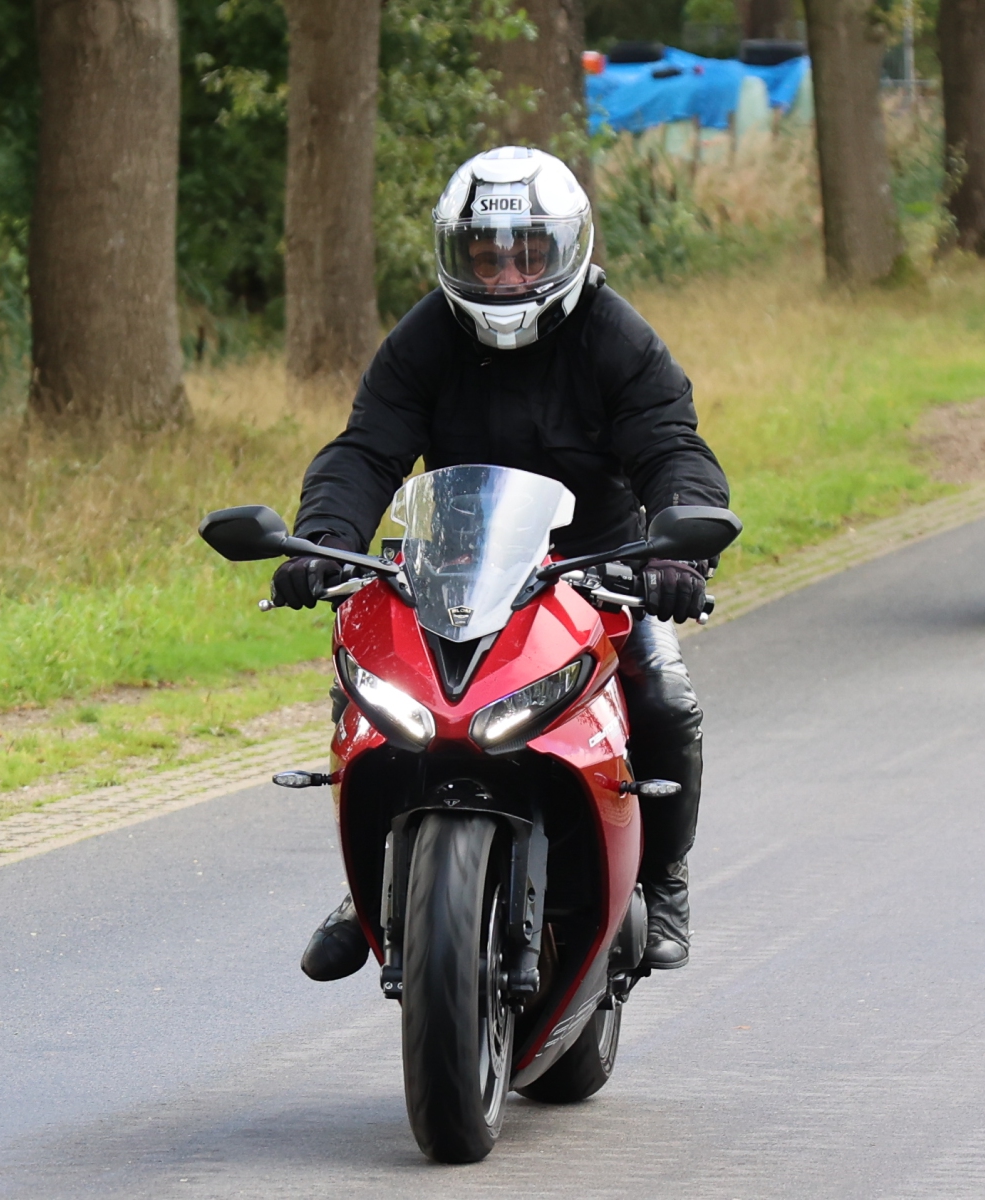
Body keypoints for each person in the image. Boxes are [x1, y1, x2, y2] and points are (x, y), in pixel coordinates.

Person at [269, 146, 727, 978]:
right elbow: (366, 450)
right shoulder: (426, 338)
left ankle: (663, 882)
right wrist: (324, 542)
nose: (508, 274)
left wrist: (681, 553)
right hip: (452, 571)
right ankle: (377, 883)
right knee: (370, 700)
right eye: (487, 256)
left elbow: (671, 447)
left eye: (529, 255)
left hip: (596, 573)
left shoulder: (616, 337)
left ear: (567, 249)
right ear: (457, 255)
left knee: (665, 699)